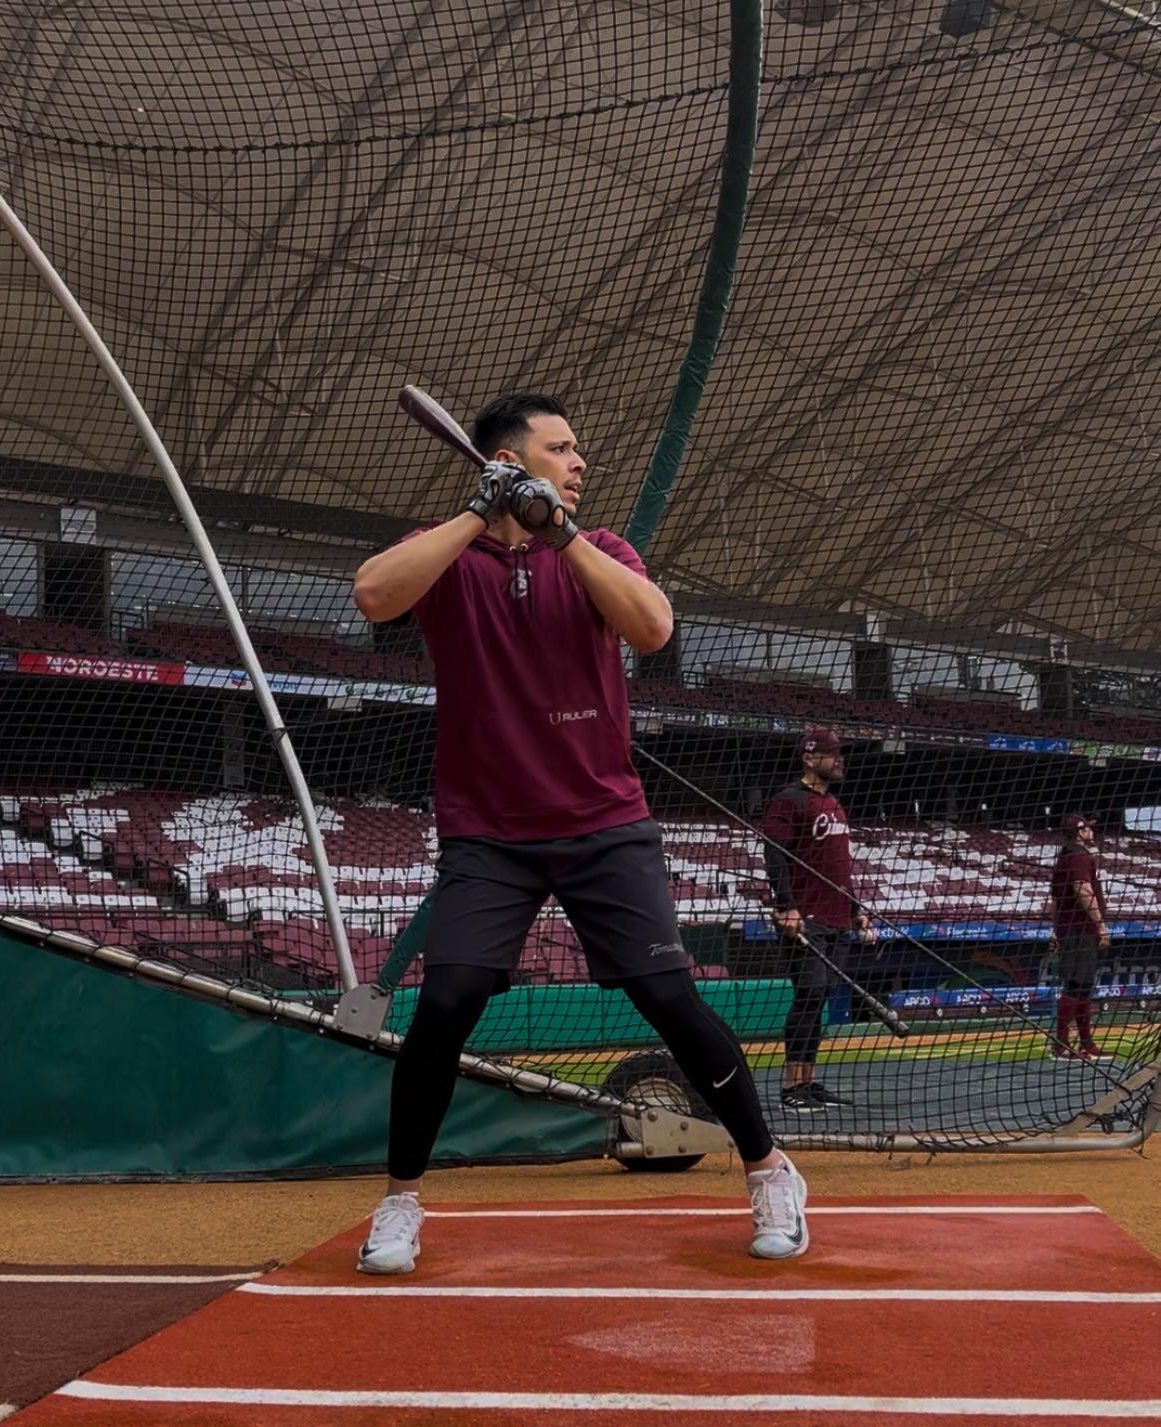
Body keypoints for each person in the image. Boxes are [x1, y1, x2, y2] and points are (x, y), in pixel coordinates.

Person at [352, 391, 807, 1273]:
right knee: (445, 1005)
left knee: (668, 999)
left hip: (605, 822)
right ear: (513, 459)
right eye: (563, 449)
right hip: (489, 832)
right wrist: (479, 511)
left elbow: (654, 626)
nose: (582, 462)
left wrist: (557, 533)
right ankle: (400, 1199)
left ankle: (770, 1167)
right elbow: (374, 596)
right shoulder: (443, 554)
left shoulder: (600, 550)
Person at [762, 729, 874, 1113]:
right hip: (806, 919)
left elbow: (839, 870)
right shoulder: (788, 801)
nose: (839, 759)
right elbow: (775, 856)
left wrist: (857, 910)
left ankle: (809, 1082)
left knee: (821, 998)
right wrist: (786, 906)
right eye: (832, 754)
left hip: (837, 918)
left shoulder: (834, 804)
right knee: (808, 995)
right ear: (809, 758)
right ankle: (791, 1085)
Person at [1047, 815, 1114, 1062]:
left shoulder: (1065, 857)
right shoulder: (1079, 857)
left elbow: (1054, 901)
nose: (1091, 831)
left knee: (1083, 985)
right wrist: (1101, 926)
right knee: (1076, 985)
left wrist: (1055, 931)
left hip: (1070, 930)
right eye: (1087, 827)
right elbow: (1082, 890)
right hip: (1080, 931)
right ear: (1079, 831)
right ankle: (1061, 1044)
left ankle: (1086, 1044)